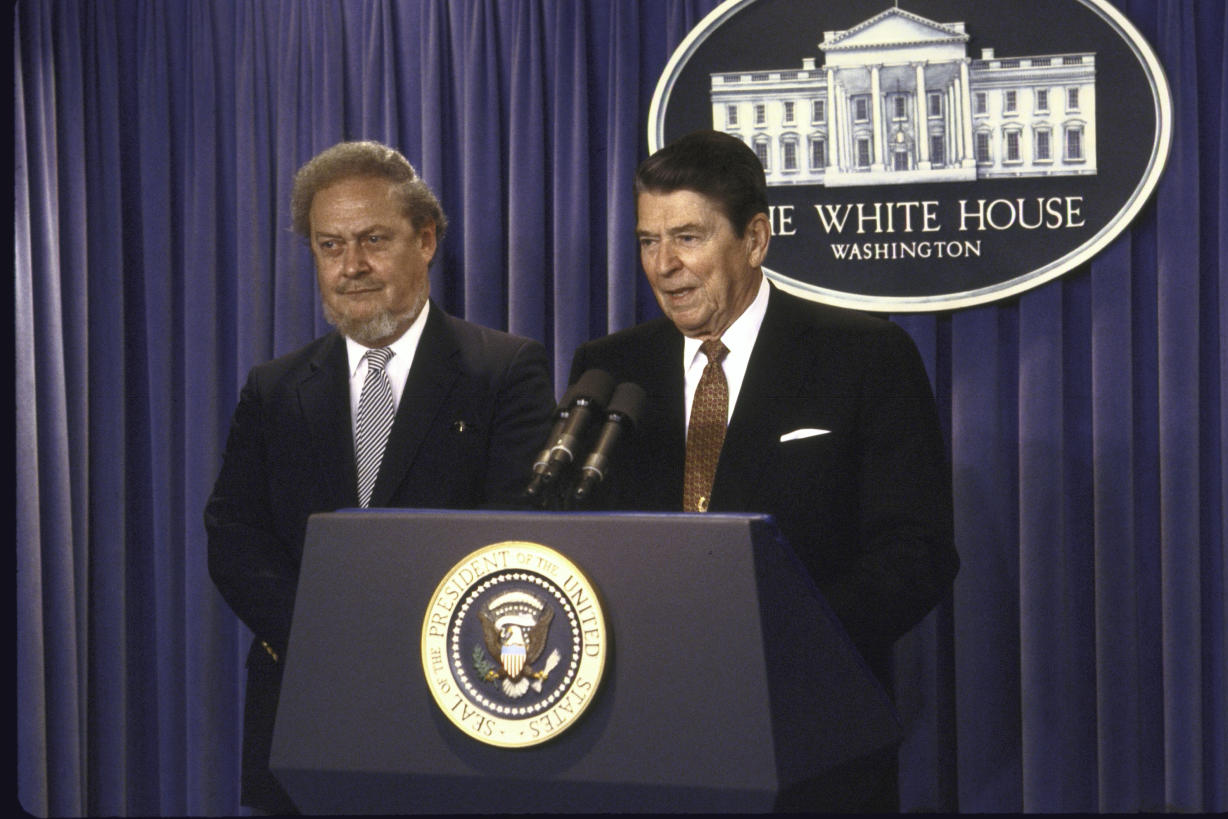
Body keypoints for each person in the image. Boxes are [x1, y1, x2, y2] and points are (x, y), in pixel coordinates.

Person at [569, 130, 958, 811]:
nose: (663, 265)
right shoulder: (609, 369)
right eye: (647, 241)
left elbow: (917, 552)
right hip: (638, 732)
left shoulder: (865, 355)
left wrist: (777, 643)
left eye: (687, 237)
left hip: (810, 735)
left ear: (755, 238)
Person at [205, 140, 555, 814]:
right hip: (305, 711)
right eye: (329, 246)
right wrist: (321, 637)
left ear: (425, 240)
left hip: (457, 714)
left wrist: (410, 648)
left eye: (373, 240)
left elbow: (516, 534)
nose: (351, 266)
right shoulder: (274, 388)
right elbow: (233, 532)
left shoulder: (503, 370)